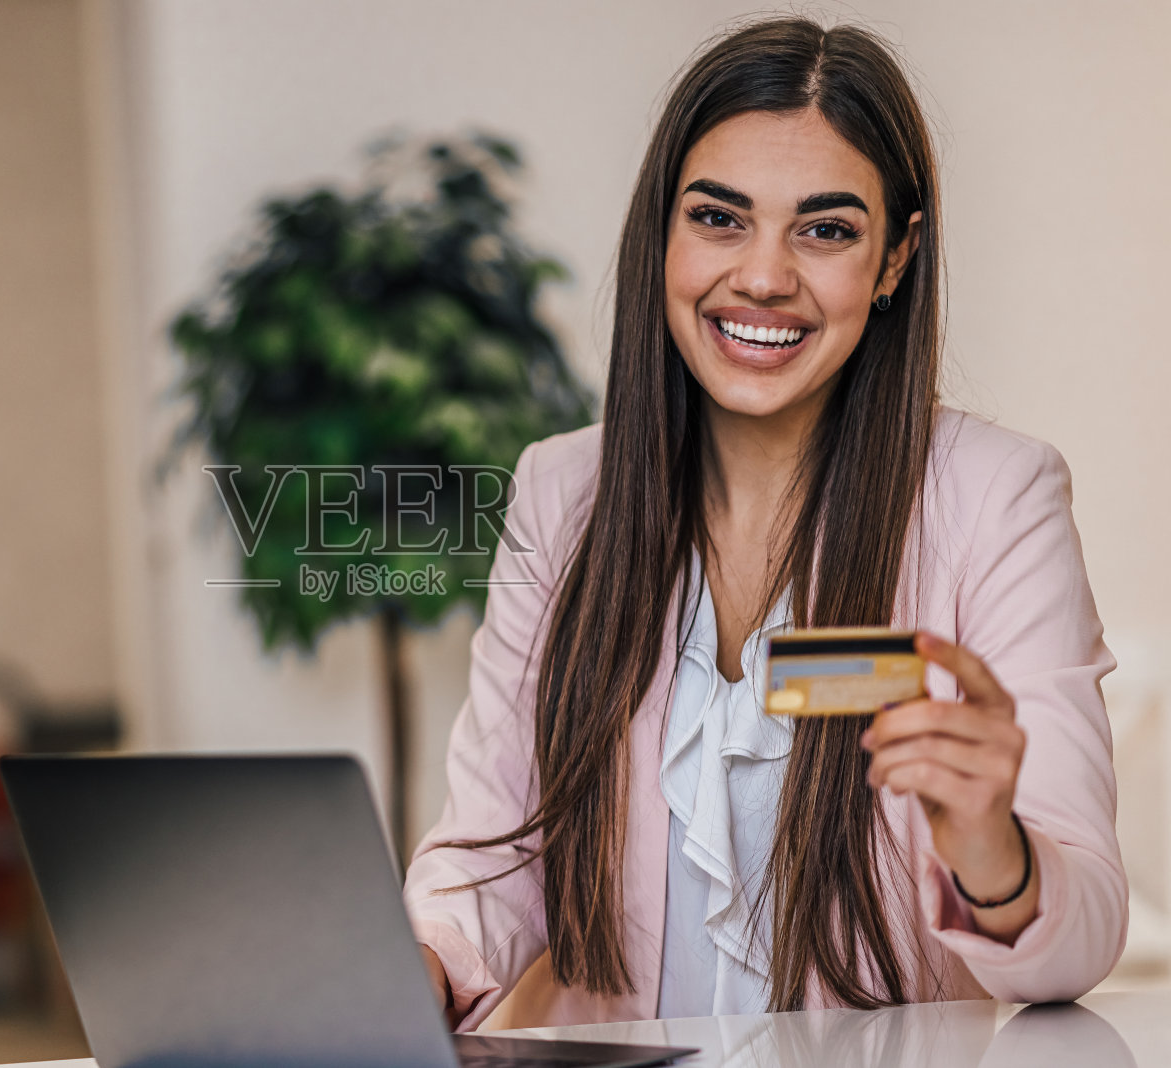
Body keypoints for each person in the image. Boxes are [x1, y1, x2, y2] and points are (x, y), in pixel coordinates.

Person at [402, 15, 1126, 1028]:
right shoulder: (561, 493)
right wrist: (417, 967)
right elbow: (497, 849)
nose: (761, 276)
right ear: (662, 229)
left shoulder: (998, 498)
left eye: (825, 229)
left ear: (891, 261)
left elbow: (1083, 938)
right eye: (718, 218)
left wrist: (993, 853)